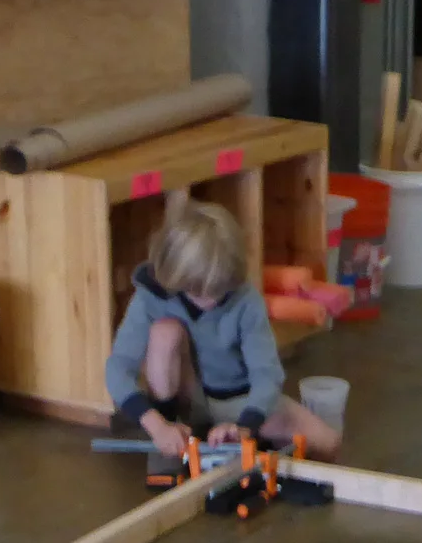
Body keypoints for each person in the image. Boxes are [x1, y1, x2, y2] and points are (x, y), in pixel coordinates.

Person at [106, 201, 342, 484]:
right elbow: (118, 368)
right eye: (200, 292)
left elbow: (267, 374)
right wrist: (157, 425)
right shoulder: (150, 296)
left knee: (328, 443)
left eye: (221, 290)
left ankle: (244, 445)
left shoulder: (246, 299)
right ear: (177, 277)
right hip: (186, 399)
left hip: (235, 401)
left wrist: (245, 425)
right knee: (164, 332)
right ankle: (173, 442)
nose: (213, 301)